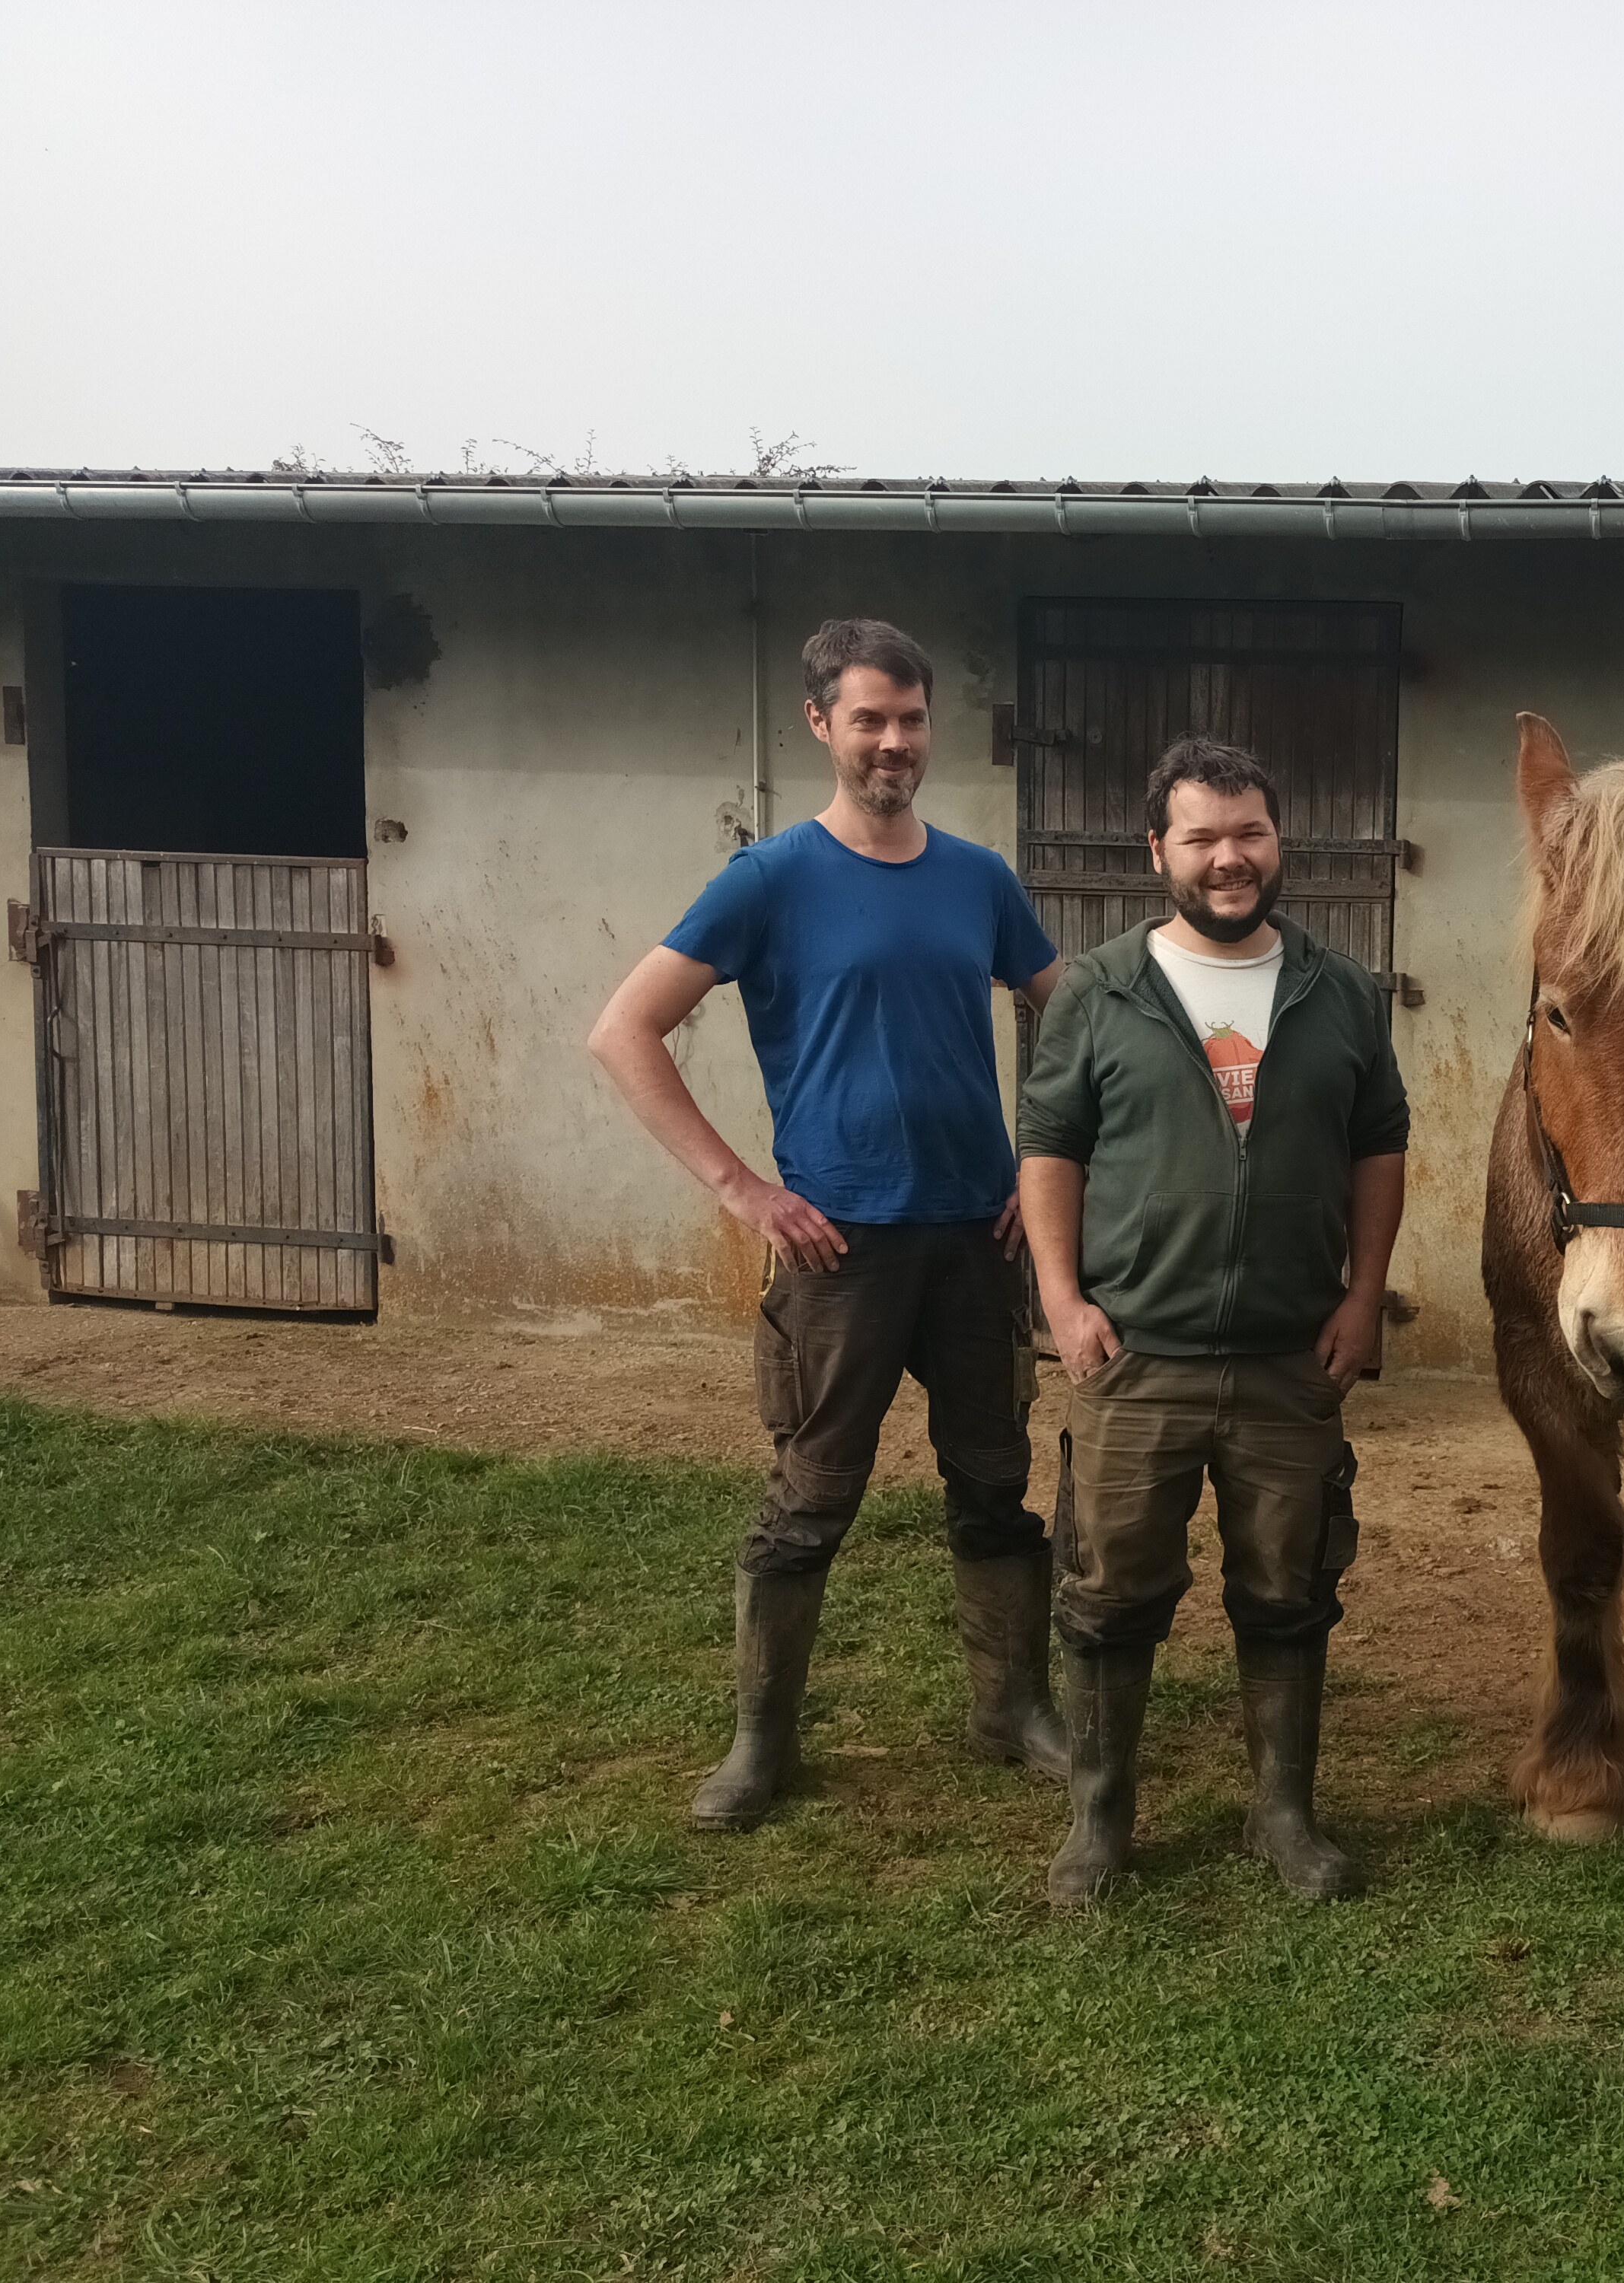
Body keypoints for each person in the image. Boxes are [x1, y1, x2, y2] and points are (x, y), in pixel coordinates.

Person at [588, 616, 1067, 1832]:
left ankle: (1012, 1708)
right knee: (809, 1498)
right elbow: (624, 1031)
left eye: (910, 720)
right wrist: (743, 1190)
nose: (894, 741)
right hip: (837, 1251)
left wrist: (1046, 1165)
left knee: (996, 1486)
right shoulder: (769, 880)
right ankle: (764, 1744)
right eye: (870, 720)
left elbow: (1072, 1018)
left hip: (979, 1241)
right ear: (822, 726)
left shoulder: (980, 879)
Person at [1016, 735, 1409, 1905]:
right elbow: (1051, 1148)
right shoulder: (1100, 989)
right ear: (1159, 851)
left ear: (1279, 841)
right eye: (1203, 838)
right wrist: (1061, 1299)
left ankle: (1285, 1818)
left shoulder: (1340, 992)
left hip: (1292, 1361)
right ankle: (1100, 1821)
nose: (1229, 859)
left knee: (1289, 1591)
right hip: (1136, 1357)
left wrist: (1361, 1297)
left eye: (1250, 834)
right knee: (1107, 1594)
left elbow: (1380, 1148)